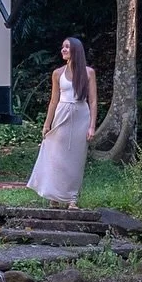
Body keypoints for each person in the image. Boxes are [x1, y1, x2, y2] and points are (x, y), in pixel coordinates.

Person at [27, 36, 97, 208]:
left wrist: (92, 126)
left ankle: (72, 198)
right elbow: (53, 100)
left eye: (67, 47)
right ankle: (55, 195)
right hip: (62, 114)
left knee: (76, 157)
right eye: (62, 47)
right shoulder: (57, 73)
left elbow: (93, 101)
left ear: (75, 50)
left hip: (81, 114)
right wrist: (46, 124)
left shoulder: (88, 73)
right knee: (57, 155)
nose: (63, 50)